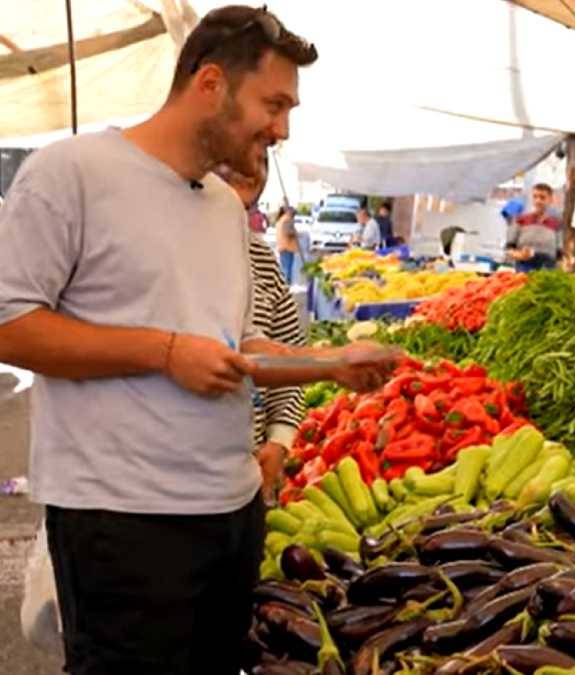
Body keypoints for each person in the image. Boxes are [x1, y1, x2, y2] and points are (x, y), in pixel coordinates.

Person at [0, 7, 396, 673]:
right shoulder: (72, 172)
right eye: (273, 103)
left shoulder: (221, 207)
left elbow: (236, 345)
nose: (283, 128)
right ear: (209, 83)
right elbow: (11, 324)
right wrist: (162, 351)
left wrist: (331, 363)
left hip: (232, 513)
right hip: (123, 524)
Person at [216, 160, 306, 505]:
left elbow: (290, 359)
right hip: (167, 492)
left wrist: (279, 440)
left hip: (248, 485)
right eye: (236, 149)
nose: (249, 164)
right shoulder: (162, 254)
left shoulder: (263, 260)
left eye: (262, 153)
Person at [507, 183, 561, 271]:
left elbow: (559, 255)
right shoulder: (520, 220)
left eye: (542, 197)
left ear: (551, 200)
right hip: (523, 271)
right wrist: (520, 255)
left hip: (548, 273)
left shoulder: (556, 224)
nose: (538, 201)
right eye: (535, 197)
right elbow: (509, 249)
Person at [274, 204, 303, 284]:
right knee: (287, 268)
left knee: (284, 267)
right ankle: (286, 284)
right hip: (287, 247)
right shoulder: (287, 220)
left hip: (283, 246)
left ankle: (285, 283)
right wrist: (296, 234)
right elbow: (287, 232)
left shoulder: (281, 219)